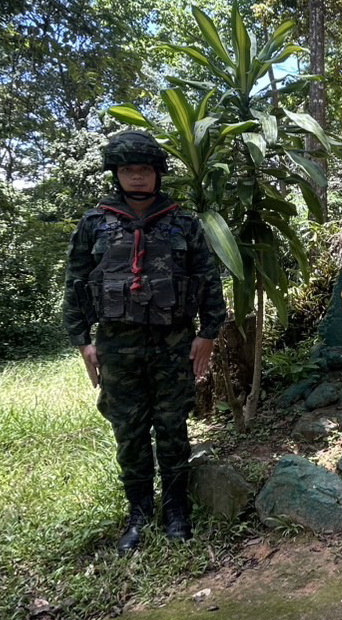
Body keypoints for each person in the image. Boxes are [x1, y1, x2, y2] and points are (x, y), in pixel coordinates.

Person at [63, 130, 226, 554]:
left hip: (173, 343)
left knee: (172, 427)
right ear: (116, 173)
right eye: (128, 169)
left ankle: (176, 510)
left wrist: (208, 333)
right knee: (129, 431)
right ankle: (138, 513)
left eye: (144, 169)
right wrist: (83, 342)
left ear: (157, 173)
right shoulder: (94, 223)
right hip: (117, 347)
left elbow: (208, 279)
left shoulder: (183, 223)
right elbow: (76, 283)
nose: (137, 176)